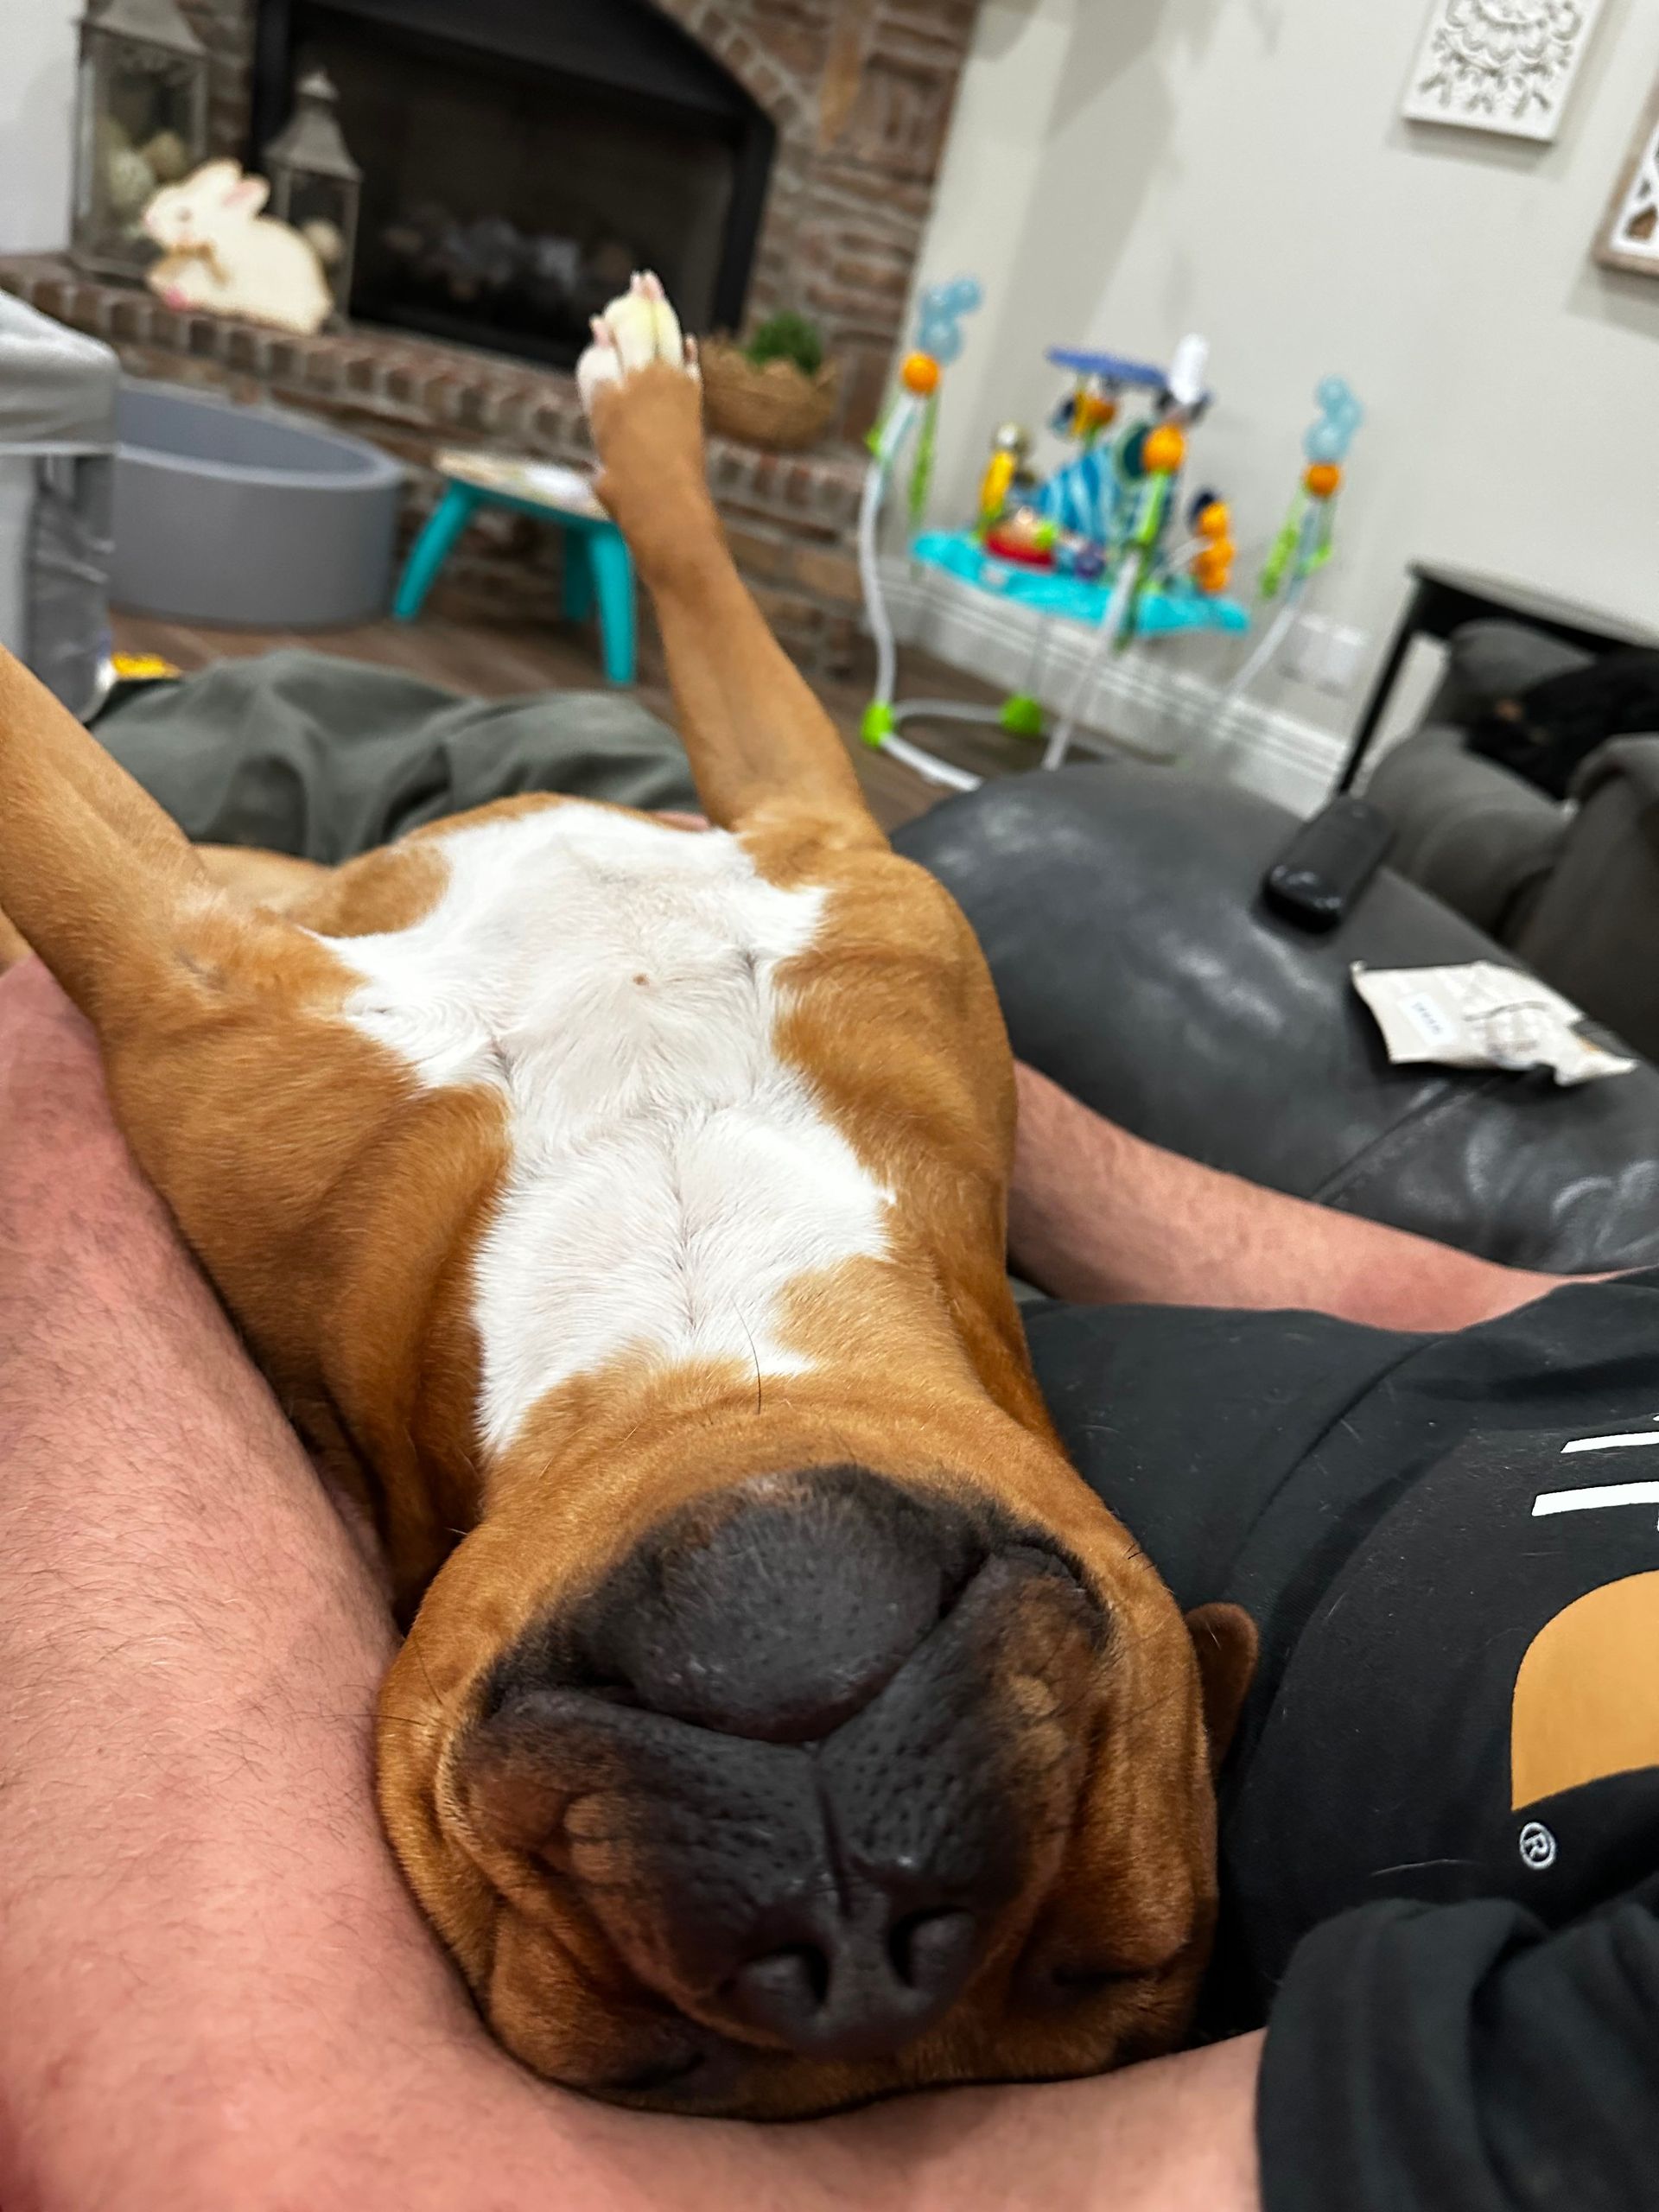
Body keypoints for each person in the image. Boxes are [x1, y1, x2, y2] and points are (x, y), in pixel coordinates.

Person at [3, 947, 1654, 2212]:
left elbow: (271, 2162)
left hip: (394, 1484)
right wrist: (837, 1008)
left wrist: (53, 1162)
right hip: (786, 1201)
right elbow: (1473, 1305)